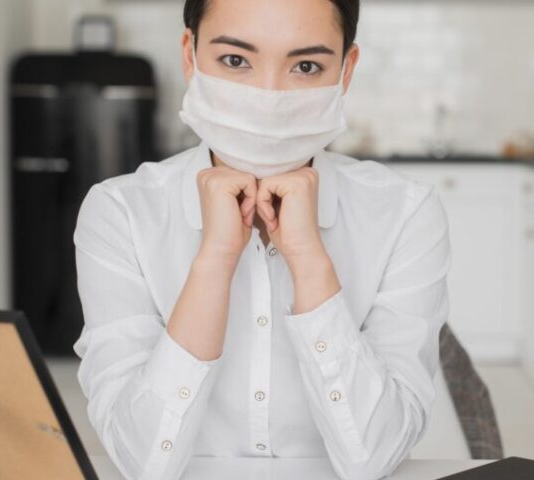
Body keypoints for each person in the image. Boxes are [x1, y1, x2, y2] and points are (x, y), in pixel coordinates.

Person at [72, 0, 451, 478]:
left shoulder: (405, 212)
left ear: (346, 70)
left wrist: (309, 258)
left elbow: (373, 458)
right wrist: (214, 260)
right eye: (235, 61)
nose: (269, 97)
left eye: (306, 66)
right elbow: (143, 461)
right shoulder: (120, 213)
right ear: (190, 54)